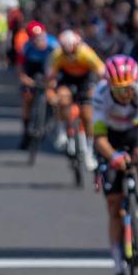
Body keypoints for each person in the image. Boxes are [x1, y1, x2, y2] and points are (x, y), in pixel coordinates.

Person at [92, 55, 138, 275]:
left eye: (128, 89)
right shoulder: (100, 94)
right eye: (119, 90)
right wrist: (112, 157)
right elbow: (98, 137)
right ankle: (119, 267)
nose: (125, 94)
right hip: (110, 137)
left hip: (135, 130)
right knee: (113, 205)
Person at [49, 29, 105, 172]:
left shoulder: (86, 53)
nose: (70, 56)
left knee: (87, 114)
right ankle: (62, 129)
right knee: (62, 98)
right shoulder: (58, 54)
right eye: (66, 53)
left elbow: (101, 72)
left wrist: (99, 90)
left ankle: (89, 149)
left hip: (85, 79)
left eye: (72, 52)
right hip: (66, 78)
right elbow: (51, 76)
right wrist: (51, 90)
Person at [17, 21, 58, 150]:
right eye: (35, 38)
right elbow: (20, 67)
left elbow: (60, 66)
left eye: (41, 37)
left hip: (50, 70)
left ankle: (48, 121)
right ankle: (26, 132)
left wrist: (54, 81)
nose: (39, 40)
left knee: (52, 97)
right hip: (32, 70)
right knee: (27, 97)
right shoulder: (27, 47)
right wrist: (24, 78)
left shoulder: (54, 45)